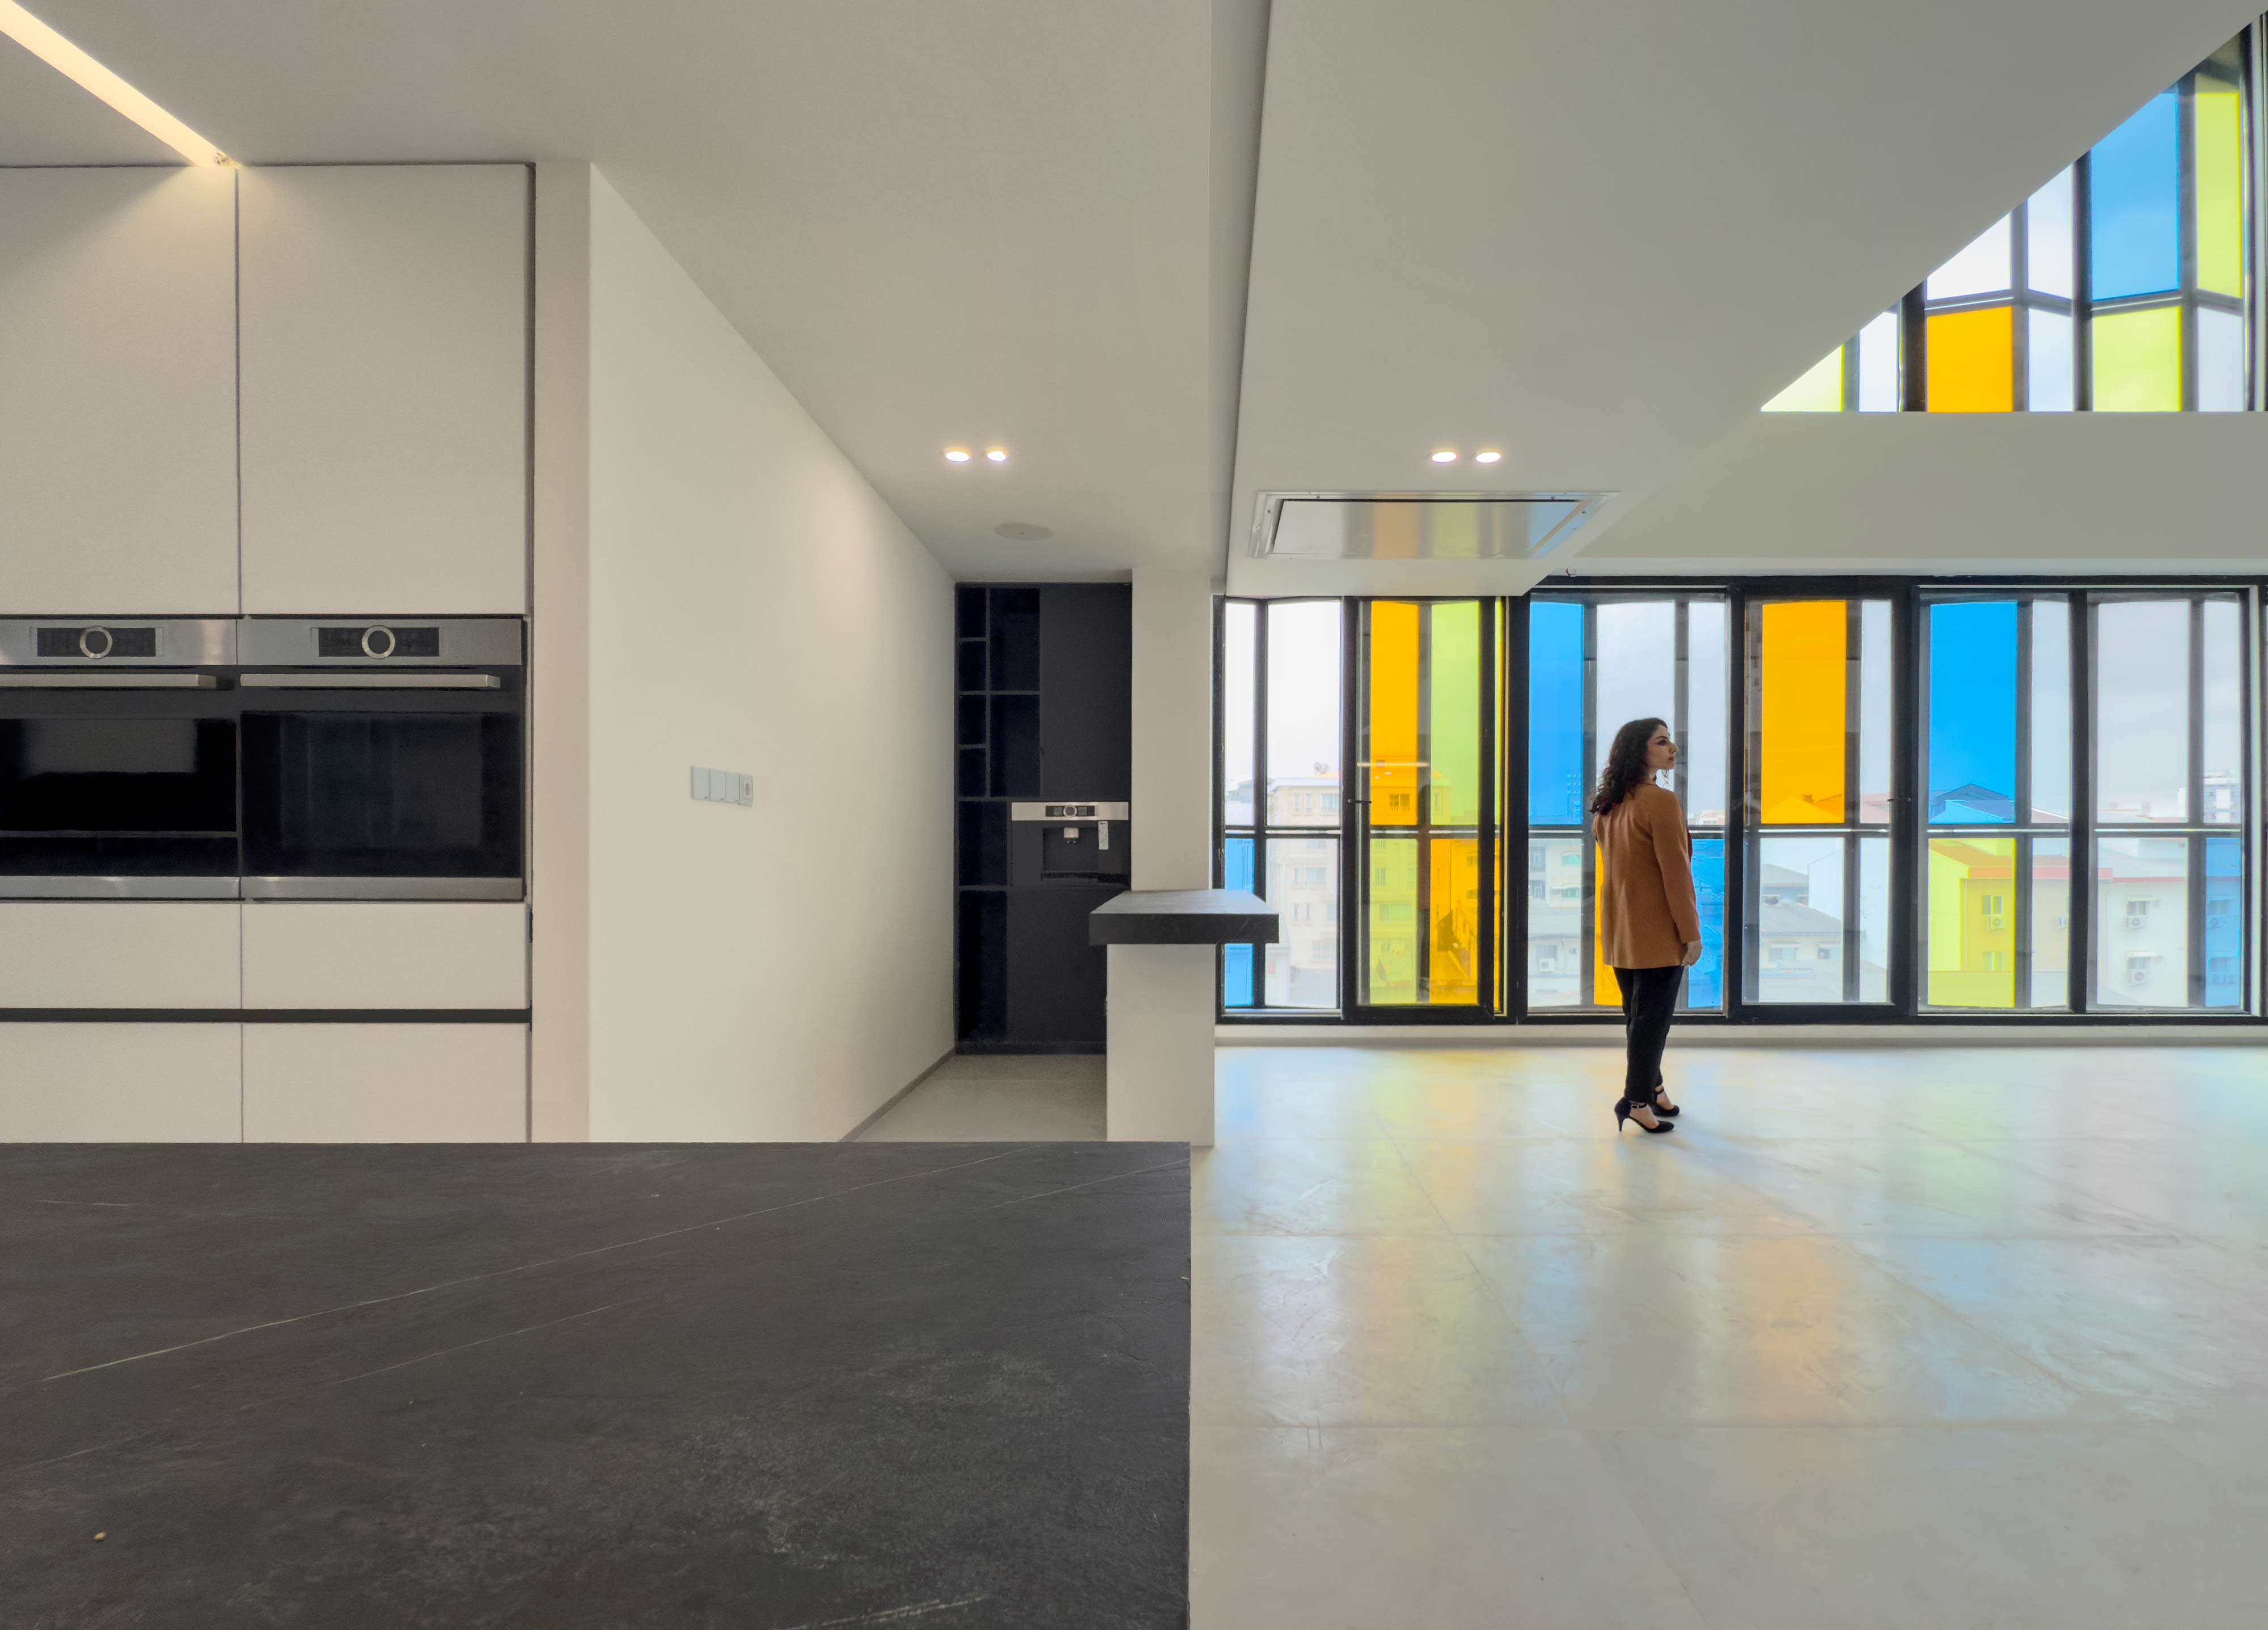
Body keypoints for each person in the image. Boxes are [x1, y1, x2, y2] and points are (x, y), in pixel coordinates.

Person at [1592, 717, 1702, 1134]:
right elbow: (1676, 874)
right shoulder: (1660, 802)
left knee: (1638, 1018)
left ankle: (1652, 1088)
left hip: (1622, 928)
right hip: (1657, 931)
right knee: (1651, 1021)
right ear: (1641, 751)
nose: (1673, 749)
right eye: (1662, 742)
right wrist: (1690, 933)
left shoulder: (1609, 804)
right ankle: (1636, 1101)